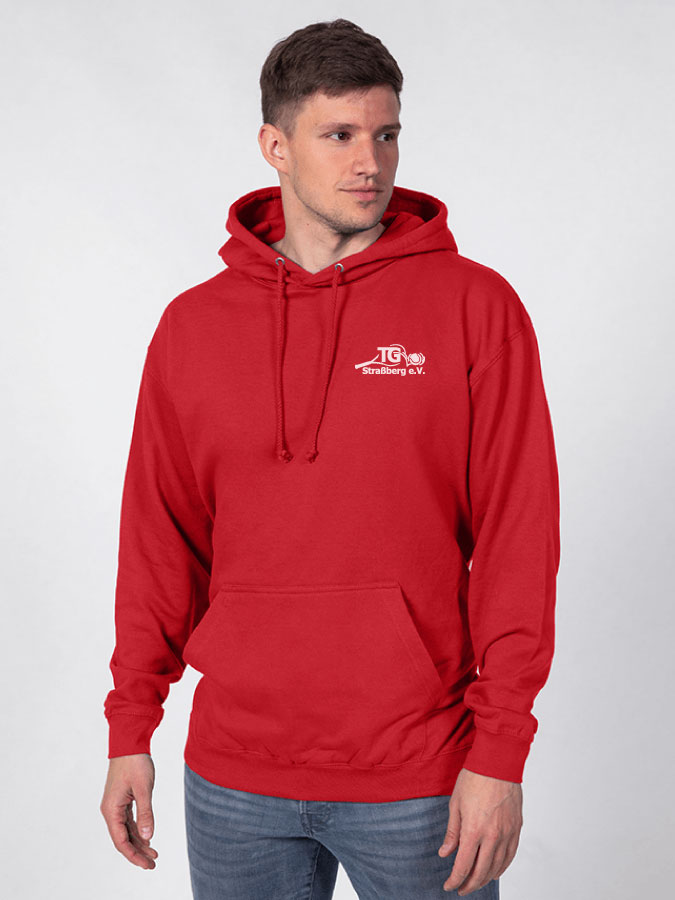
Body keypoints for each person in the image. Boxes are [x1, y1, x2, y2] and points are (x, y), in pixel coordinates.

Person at [99, 18, 560, 899]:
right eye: (339, 135)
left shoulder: (474, 307)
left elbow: (518, 538)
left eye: (386, 134)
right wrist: (131, 727)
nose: (369, 163)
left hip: (421, 775)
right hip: (233, 776)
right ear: (275, 146)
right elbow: (159, 540)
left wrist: (499, 751)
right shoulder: (193, 327)